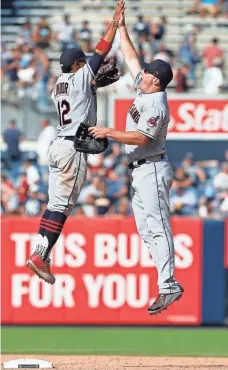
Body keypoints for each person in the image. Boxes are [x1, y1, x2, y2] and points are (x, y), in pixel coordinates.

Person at [89, 9, 184, 315]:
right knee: (146, 229)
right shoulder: (146, 86)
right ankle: (166, 282)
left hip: (152, 168)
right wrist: (122, 28)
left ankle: (168, 285)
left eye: (148, 74)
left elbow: (142, 138)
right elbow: (131, 57)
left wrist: (109, 132)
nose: (141, 75)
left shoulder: (156, 103)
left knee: (158, 226)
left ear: (157, 81)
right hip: (139, 171)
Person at [26, 0, 125, 285]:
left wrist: (92, 83)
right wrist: (115, 22)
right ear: (78, 64)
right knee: (63, 207)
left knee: (54, 204)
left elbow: (85, 83)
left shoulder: (59, 83)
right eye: (84, 64)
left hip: (57, 146)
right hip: (73, 148)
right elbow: (101, 50)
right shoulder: (83, 74)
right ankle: (40, 254)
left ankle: (40, 252)